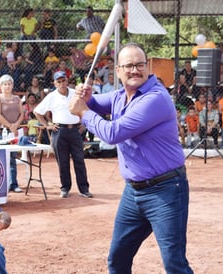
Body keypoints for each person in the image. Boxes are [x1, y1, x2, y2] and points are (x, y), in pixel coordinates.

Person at [68, 43, 193, 273]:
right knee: (118, 259)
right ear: (118, 70)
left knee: (174, 263)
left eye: (139, 65)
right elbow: (96, 102)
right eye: (129, 66)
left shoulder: (155, 98)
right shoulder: (120, 96)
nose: (135, 70)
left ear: (147, 67)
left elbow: (113, 133)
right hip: (133, 192)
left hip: (165, 190)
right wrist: (87, 97)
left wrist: (83, 112)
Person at [34, 71, 92, 199]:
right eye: (58, 81)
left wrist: (84, 123)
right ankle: (65, 188)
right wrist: (47, 125)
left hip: (75, 130)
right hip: (59, 131)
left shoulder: (75, 94)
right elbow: (37, 112)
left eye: (63, 80)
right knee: (63, 161)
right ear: (54, 83)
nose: (61, 83)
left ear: (67, 81)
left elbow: (86, 107)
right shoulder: (51, 96)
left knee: (79, 160)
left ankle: (84, 189)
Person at [0, 74, 24, 193]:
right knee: (1, 158)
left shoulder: (17, 99)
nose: (7, 86)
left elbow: (21, 113)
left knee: (12, 158)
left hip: (14, 132)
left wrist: (15, 125)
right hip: (1, 131)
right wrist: (10, 125)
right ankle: (1, 184)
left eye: (9, 84)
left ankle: (13, 183)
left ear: (12, 85)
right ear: (1, 86)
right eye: (4, 84)